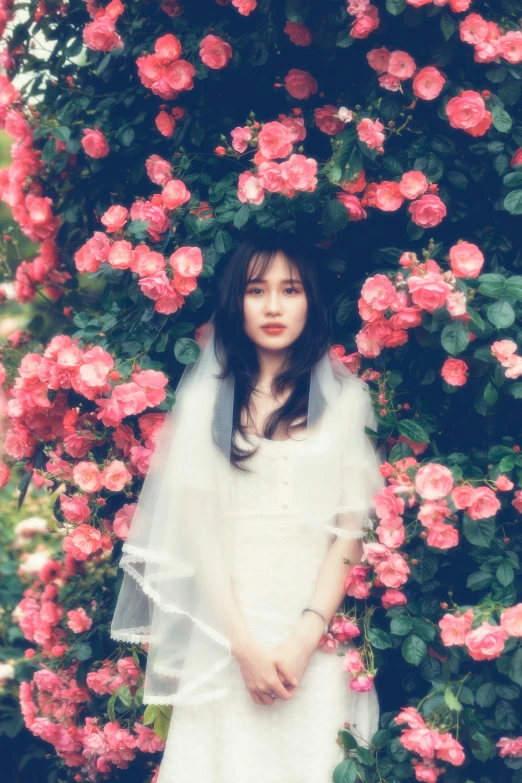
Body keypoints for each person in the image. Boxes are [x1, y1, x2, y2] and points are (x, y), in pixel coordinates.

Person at [110, 229, 385, 782]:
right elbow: (199, 534)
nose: (275, 306)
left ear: (312, 299)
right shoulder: (207, 398)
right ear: (236, 301)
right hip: (225, 638)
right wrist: (242, 646)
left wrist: (307, 638)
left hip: (317, 635)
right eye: (257, 290)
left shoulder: (348, 400)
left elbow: (350, 534)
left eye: (291, 290)